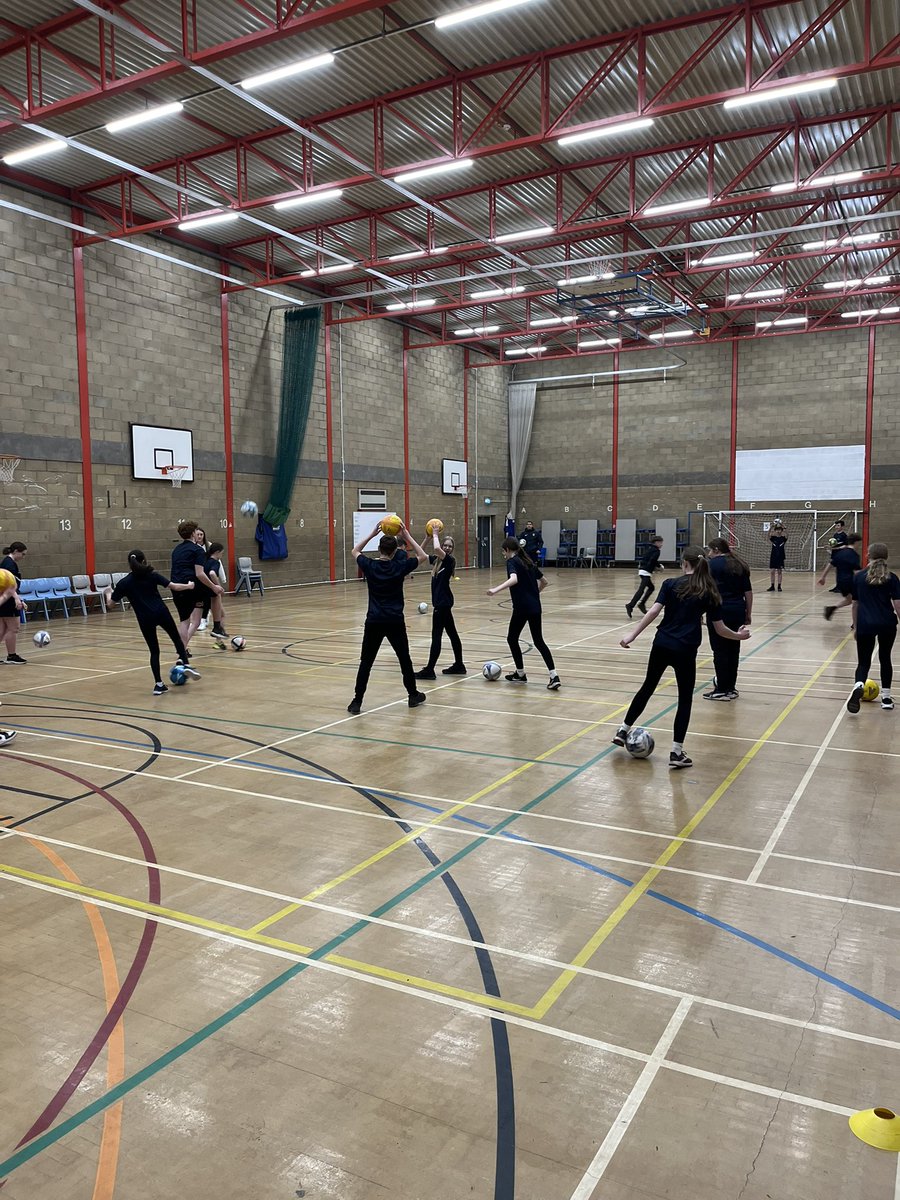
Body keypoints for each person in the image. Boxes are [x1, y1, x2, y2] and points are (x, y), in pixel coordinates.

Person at [615, 546, 750, 769]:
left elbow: (653, 612)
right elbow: (720, 629)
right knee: (684, 699)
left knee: (647, 687)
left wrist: (632, 635)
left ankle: (623, 730)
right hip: (685, 649)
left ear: (684, 564)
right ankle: (676, 753)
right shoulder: (709, 590)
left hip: (661, 643)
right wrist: (739, 636)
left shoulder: (670, 584)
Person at [348, 519, 429, 714]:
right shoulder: (398, 567)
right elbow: (423, 555)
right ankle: (412, 695)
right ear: (394, 552)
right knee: (404, 660)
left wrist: (371, 535)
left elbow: (355, 551)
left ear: (379, 549)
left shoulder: (370, 566)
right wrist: (407, 536)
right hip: (394, 621)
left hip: (374, 621)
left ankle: (357, 702)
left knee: (366, 663)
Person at [105, 550, 200, 695]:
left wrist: (108, 593)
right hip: (161, 612)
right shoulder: (152, 574)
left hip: (145, 618)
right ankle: (186, 663)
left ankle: (159, 684)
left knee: (154, 651)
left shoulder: (124, 583)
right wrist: (189, 586)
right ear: (144, 561)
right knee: (176, 639)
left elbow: (110, 605)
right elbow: (174, 586)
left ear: (129, 564)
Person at [487, 537, 560, 689]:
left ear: (508, 550)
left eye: (503, 551)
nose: (503, 554)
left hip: (521, 608)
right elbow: (544, 582)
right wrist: (534, 595)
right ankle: (554, 676)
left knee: (512, 638)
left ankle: (520, 673)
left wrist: (495, 590)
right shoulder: (528, 562)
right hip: (535, 607)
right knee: (539, 641)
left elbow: (513, 579)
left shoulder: (512, 562)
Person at [847, 543, 900, 713]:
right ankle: (886, 698)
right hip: (887, 624)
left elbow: (854, 604)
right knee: (885, 658)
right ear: (886, 557)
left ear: (868, 555)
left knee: (863, 662)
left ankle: (859, 685)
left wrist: (855, 626)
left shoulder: (858, 577)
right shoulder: (892, 578)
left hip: (865, 624)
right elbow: (898, 605)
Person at [704, 538, 752, 701]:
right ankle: (730, 687)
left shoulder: (712, 565)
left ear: (716, 550)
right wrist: (748, 613)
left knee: (719, 650)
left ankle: (722, 689)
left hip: (719, 610)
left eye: (710, 551)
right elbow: (748, 592)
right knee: (733, 648)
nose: (709, 554)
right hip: (738, 609)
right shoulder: (740, 564)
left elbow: (706, 589)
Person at [415, 529, 466, 679]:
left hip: (442, 604)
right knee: (453, 634)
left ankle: (430, 670)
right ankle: (459, 665)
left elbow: (437, 549)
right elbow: (420, 554)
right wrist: (427, 538)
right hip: (443, 604)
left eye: (450, 546)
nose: (447, 548)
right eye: (445, 545)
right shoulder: (437, 560)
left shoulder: (449, 561)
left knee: (436, 636)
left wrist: (436, 534)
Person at [170, 521, 223, 648]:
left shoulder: (176, 549)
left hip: (176, 587)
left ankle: (183, 650)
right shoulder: (197, 550)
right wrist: (213, 586)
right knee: (215, 594)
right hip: (192, 588)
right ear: (193, 533)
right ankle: (217, 626)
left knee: (187, 621)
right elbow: (199, 574)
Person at [820, 533, 862, 620]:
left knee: (849, 600)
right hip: (850, 581)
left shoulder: (839, 553)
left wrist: (823, 577)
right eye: (859, 543)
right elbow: (857, 572)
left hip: (840, 582)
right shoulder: (854, 555)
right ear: (856, 542)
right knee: (856, 602)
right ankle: (855, 625)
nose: (860, 546)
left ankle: (832, 608)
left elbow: (830, 564)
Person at [0, 541, 27, 664]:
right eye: (23, 554)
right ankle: (12, 655)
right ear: (16, 551)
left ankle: (11, 655)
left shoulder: (8, 562)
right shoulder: (9, 565)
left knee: (2, 629)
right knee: (13, 628)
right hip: (8, 601)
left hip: (6, 598)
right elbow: (10, 585)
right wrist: (17, 599)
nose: (23, 557)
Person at [626, 535, 664, 618]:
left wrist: (653, 568)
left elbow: (647, 559)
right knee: (641, 590)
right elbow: (653, 560)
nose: (661, 544)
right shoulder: (656, 551)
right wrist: (659, 567)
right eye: (660, 543)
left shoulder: (649, 549)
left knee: (651, 588)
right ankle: (630, 605)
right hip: (646, 571)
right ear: (656, 542)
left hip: (642, 570)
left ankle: (642, 603)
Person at [202, 541, 230, 640]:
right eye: (222, 553)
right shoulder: (215, 562)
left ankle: (219, 635)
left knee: (221, 614)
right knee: (222, 615)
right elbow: (212, 573)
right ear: (217, 552)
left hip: (203, 591)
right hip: (211, 593)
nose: (222, 555)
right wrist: (218, 586)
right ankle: (218, 637)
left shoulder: (205, 561)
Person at [819, 520, 849, 592]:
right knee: (836, 571)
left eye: (838, 525)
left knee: (839, 571)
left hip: (841, 555)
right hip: (834, 554)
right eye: (836, 525)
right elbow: (834, 545)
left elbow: (845, 545)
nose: (836, 527)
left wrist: (836, 548)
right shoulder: (835, 535)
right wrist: (828, 547)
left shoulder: (844, 535)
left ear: (842, 526)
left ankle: (841, 587)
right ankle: (837, 586)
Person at [767, 521, 787, 591]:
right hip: (773, 557)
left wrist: (783, 526)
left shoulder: (783, 538)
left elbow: (787, 535)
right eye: (777, 530)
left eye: (779, 530)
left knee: (779, 571)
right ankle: (772, 586)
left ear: (781, 531)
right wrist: (771, 527)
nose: (778, 531)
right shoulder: (773, 538)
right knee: (772, 571)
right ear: (775, 531)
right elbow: (768, 535)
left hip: (780, 557)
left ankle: (779, 586)